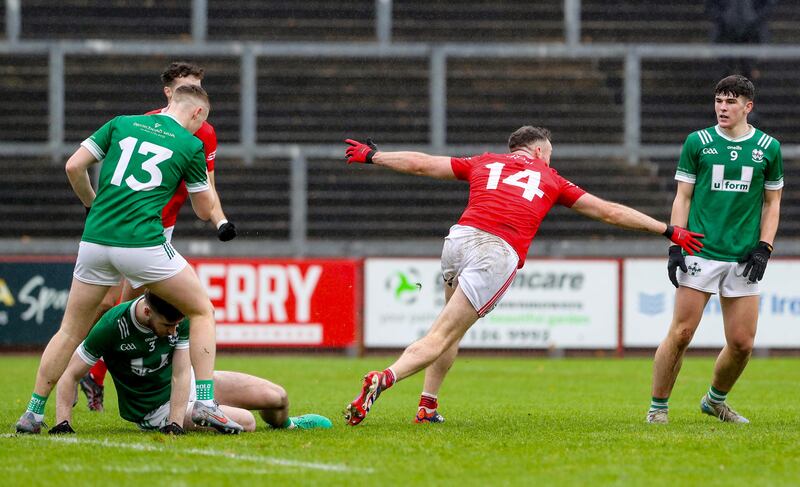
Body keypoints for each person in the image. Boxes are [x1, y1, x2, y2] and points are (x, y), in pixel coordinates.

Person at [341, 126, 705, 426]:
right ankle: (384, 378)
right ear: (538, 152)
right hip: (495, 252)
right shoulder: (551, 178)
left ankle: (428, 405)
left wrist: (375, 156)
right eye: (549, 153)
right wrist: (667, 230)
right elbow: (608, 212)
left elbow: (423, 164)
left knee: (450, 327)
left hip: (459, 239)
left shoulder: (483, 162)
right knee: (442, 334)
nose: (551, 160)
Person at [15, 84, 241, 434]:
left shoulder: (121, 123)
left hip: (95, 240)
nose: (201, 129)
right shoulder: (191, 144)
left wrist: (92, 204)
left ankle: (32, 412)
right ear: (197, 113)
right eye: (202, 122)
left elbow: (74, 166)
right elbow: (202, 209)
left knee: (70, 329)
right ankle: (207, 403)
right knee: (201, 311)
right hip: (141, 244)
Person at [79, 61, 237, 413]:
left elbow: (208, 185)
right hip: (129, 227)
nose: (197, 95)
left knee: (126, 304)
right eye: (189, 87)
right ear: (170, 93)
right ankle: (91, 370)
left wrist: (220, 220)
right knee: (115, 306)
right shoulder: (145, 122)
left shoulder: (205, 132)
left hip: (157, 230)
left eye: (200, 86)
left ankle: (96, 373)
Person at [646, 75, 782, 424]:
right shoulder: (698, 142)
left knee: (741, 344)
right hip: (700, 251)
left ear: (748, 106)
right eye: (719, 100)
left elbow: (772, 203)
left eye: (731, 101)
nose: (723, 107)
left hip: (742, 255)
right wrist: (677, 245)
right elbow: (683, 197)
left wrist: (764, 247)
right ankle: (657, 408)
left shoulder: (768, 147)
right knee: (682, 333)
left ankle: (714, 401)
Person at [49, 291, 331, 435]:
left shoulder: (178, 317)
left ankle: (289, 426)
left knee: (277, 397)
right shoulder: (111, 325)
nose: (174, 331)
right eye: (168, 325)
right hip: (154, 410)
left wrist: (179, 422)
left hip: (189, 388)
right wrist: (63, 423)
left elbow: (182, 371)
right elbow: (70, 373)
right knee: (247, 422)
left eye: (177, 325)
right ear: (147, 312)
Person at [706, 0, 777, 81]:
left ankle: (747, 73)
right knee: (726, 69)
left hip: (753, 28)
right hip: (726, 28)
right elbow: (710, 5)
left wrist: (756, 17)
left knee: (747, 69)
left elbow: (769, 5)